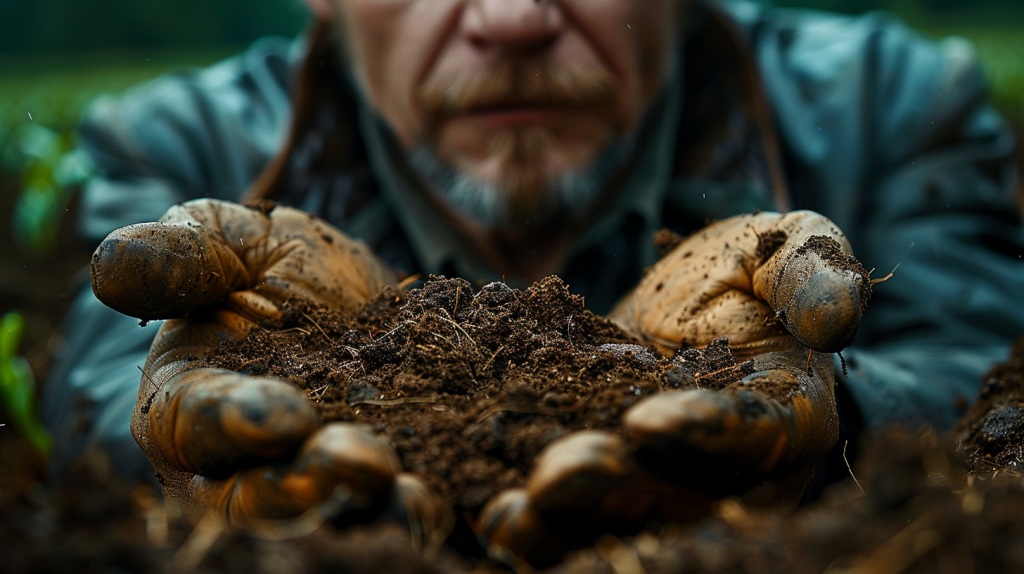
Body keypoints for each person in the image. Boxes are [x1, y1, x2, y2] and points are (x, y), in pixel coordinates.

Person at [42, 0, 1023, 566]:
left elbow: (985, 373)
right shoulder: (180, 148)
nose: (511, 19)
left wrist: (836, 417)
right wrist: (216, 422)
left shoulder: (887, 105)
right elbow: (95, 402)